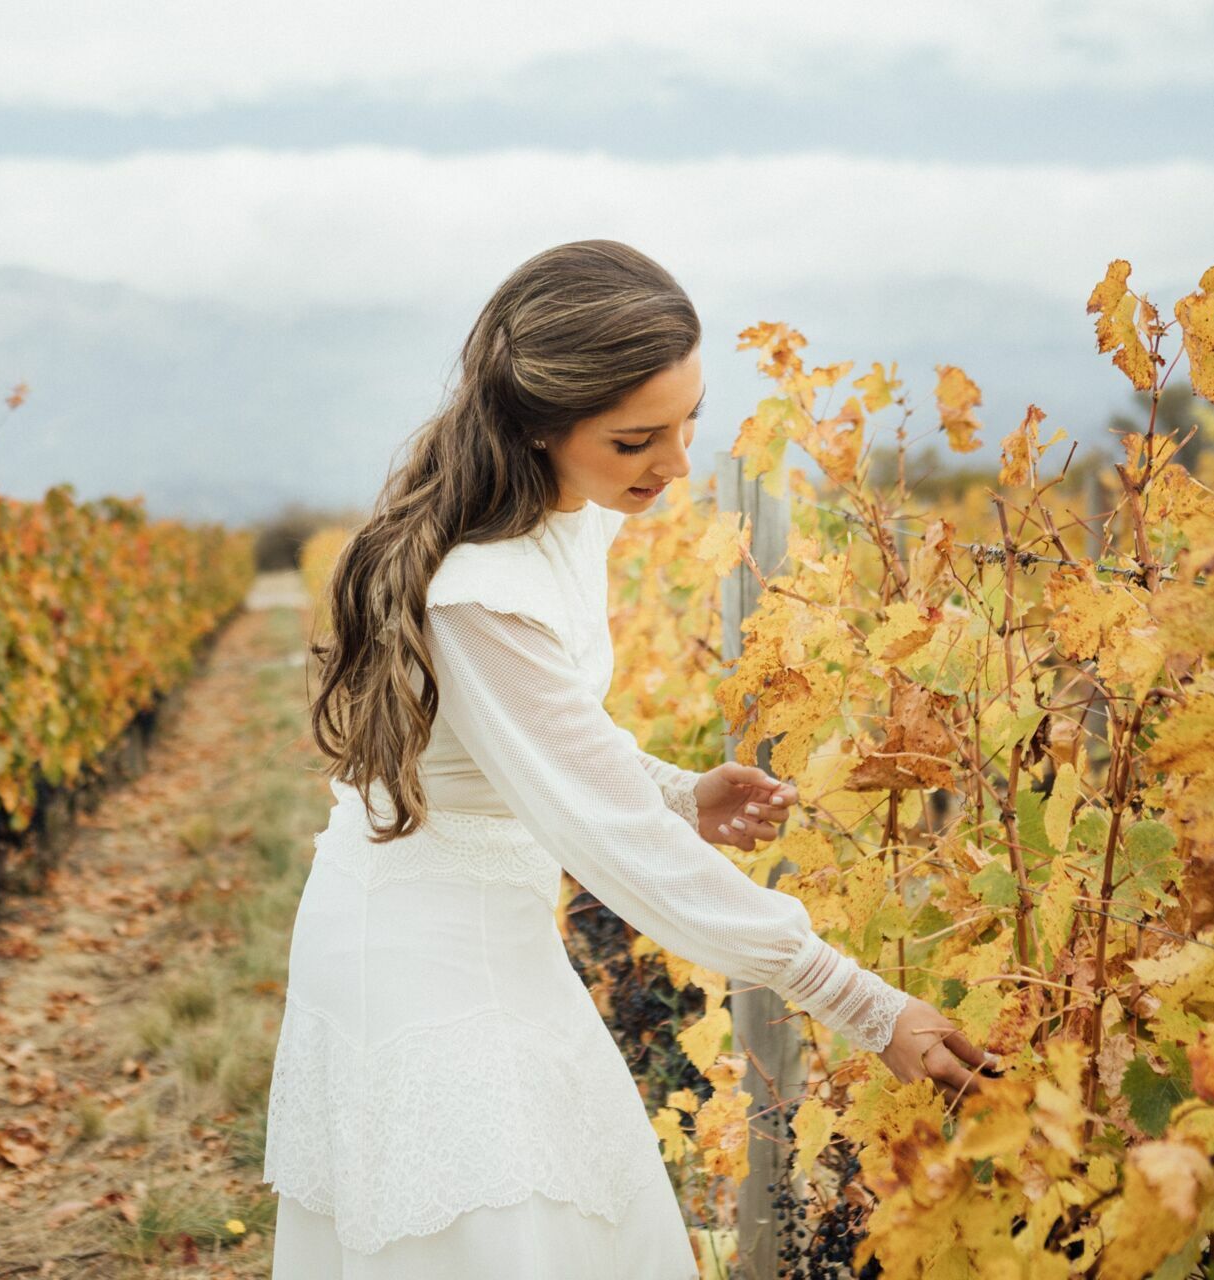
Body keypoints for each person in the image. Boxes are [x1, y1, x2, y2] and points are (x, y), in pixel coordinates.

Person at [261, 240, 994, 1278]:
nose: (679, 462)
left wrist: (679, 789)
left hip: (482, 932)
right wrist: (862, 1000)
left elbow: (545, 739)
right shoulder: (482, 592)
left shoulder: (566, 518)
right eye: (638, 437)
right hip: (427, 960)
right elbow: (612, 838)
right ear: (536, 424)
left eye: (692, 418)